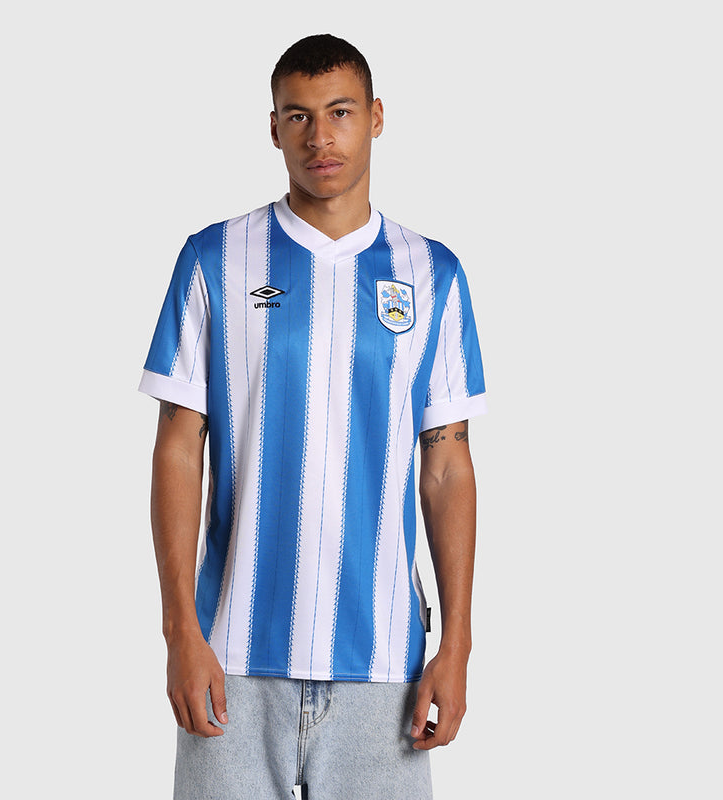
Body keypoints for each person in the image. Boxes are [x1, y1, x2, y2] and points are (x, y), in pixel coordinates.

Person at [139, 33, 487, 800]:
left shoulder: (433, 273)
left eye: (340, 112)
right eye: (298, 116)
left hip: (383, 665)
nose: (319, 137)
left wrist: (457, 644)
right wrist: (180, 632)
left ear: (377, 117)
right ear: (274, 129)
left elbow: (447, 466)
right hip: (230, 657)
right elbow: (177, 451)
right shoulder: (215, 260)